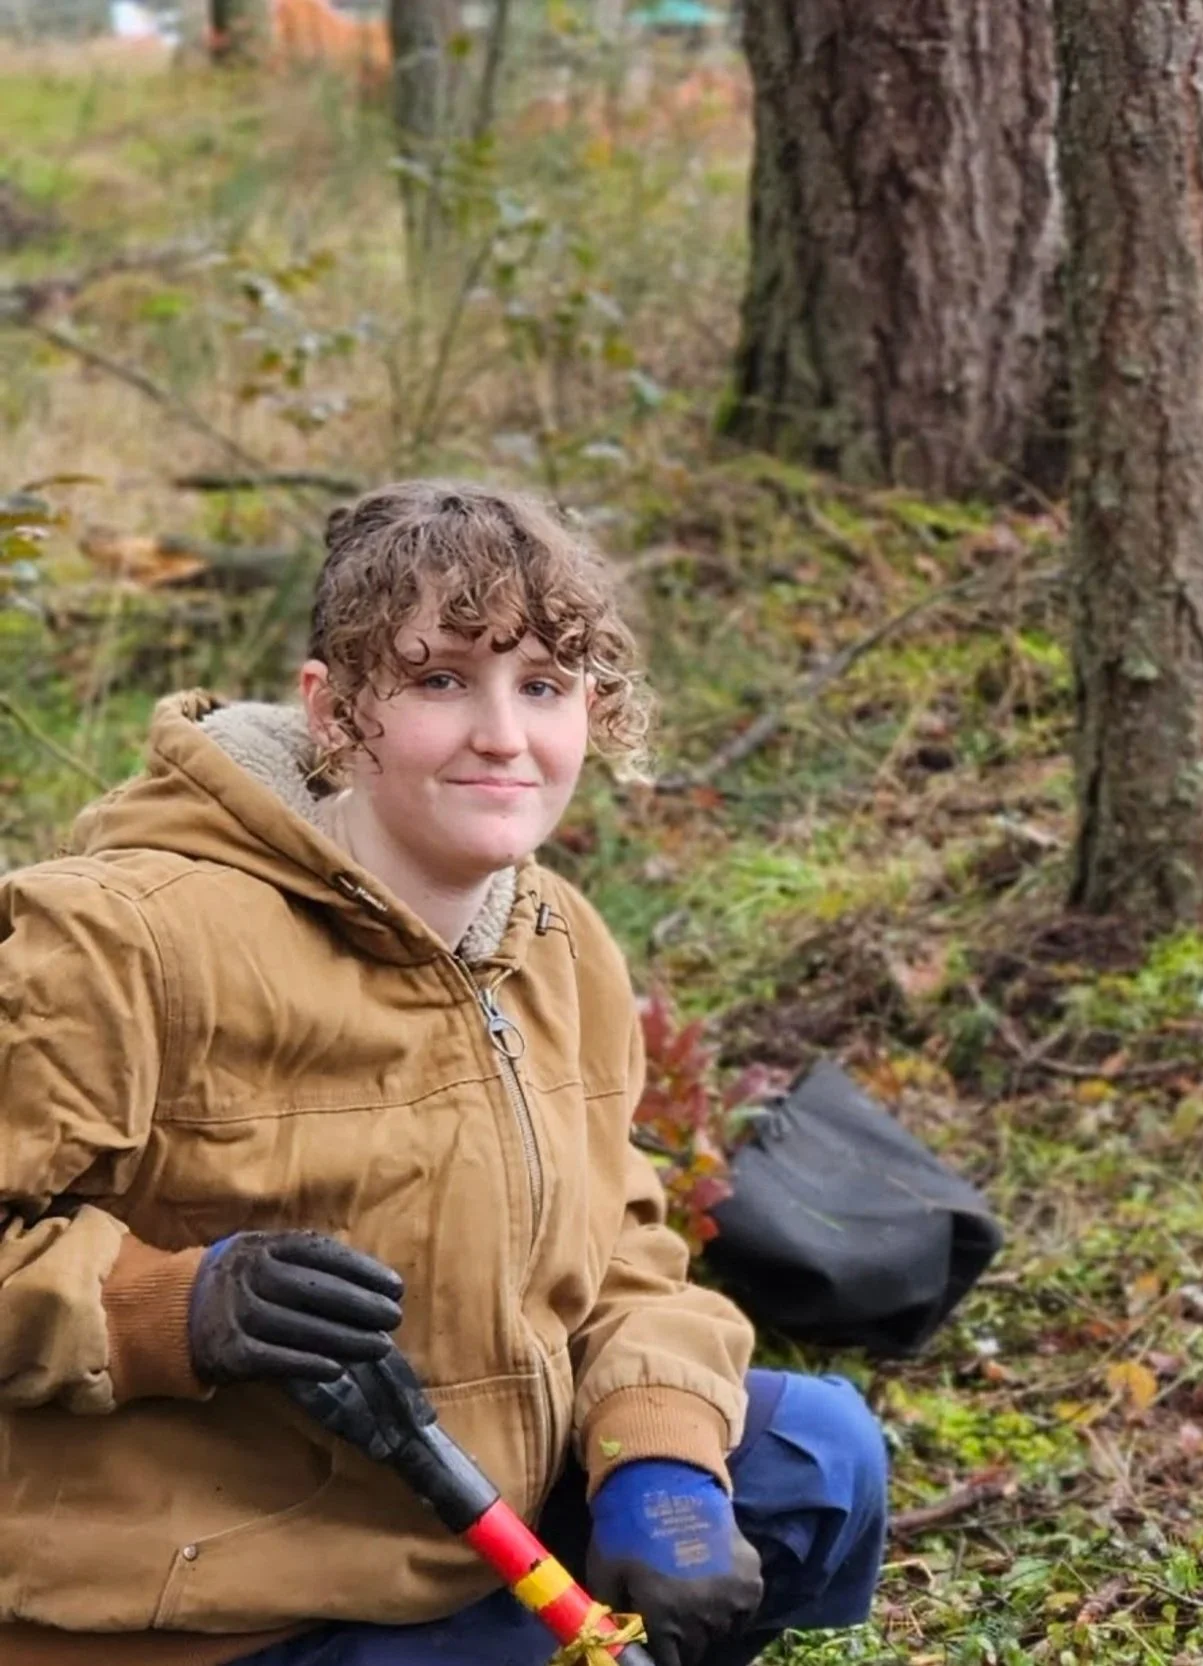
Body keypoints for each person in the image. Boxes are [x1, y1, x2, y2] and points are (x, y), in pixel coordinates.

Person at [0, 482, 887, 1666]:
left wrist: (657, 1460)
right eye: (438, 679)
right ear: (333, 708)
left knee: (817, 1459)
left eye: (543, 684)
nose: (503, 736)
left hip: (466, 1523)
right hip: (212, 1600)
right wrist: (174, 1307)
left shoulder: (555, 937)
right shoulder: (111, 937)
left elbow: (623, 1247)